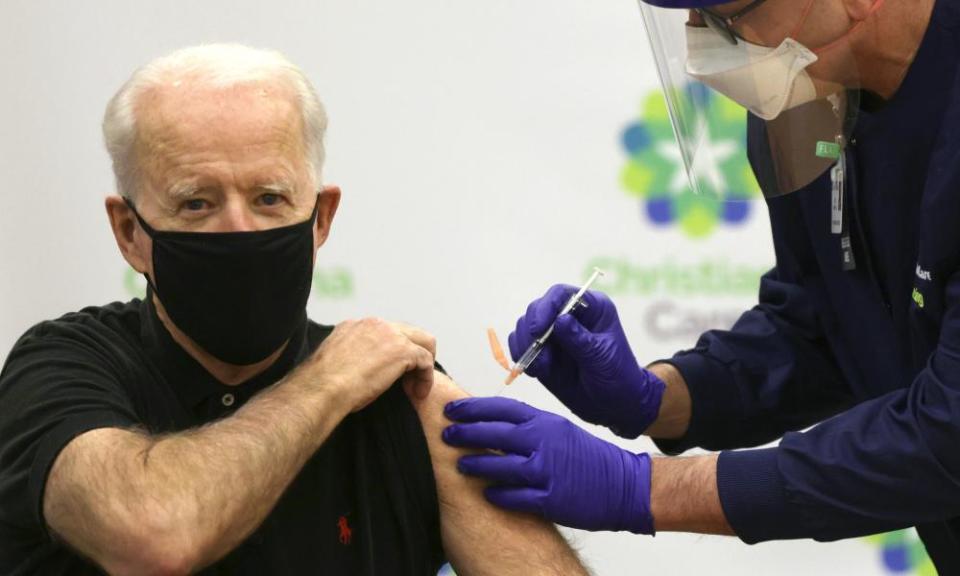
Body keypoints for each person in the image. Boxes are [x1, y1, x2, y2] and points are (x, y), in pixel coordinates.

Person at [0, 44, 587, 576]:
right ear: (129, 232)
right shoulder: (60, 369)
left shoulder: (401, 401)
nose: (238, 230)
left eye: (269, 199)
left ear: (321, 218)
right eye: (197, 203)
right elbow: (151, 535)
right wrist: (329, 383)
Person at [441, 0, 960, 572]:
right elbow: (821, 326)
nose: (701, 46)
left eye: (723, 13)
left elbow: (945, 437)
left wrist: (641, 489)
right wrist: (659, 397)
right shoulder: (811, 94)